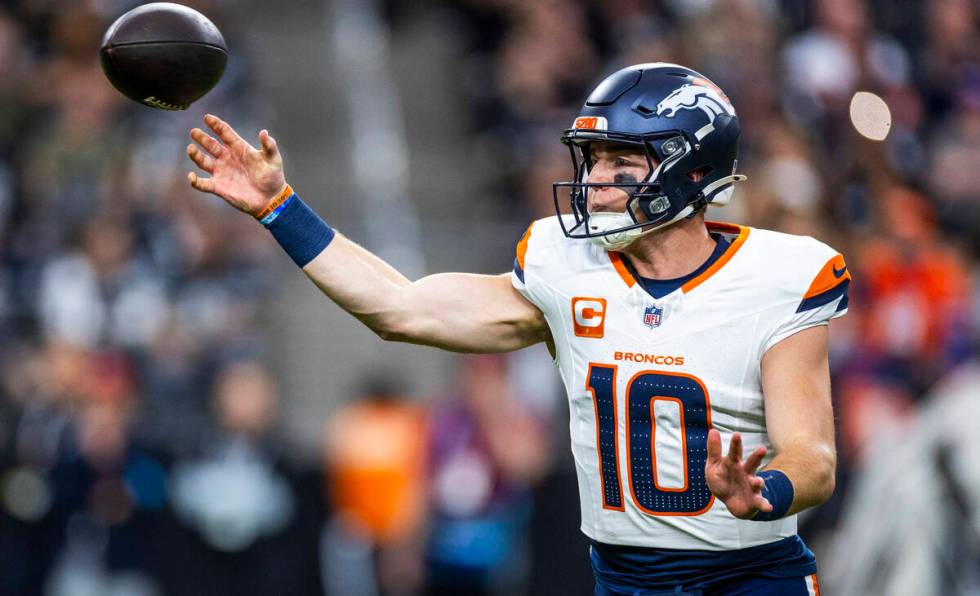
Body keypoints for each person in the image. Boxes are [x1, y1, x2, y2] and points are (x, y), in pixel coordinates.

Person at [185, 63, 846, 595]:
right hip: (625, 581)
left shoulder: (779, 277)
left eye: (621, 164)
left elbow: (811, 455)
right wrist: (280, 209)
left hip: (751, 578)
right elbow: (400, 308)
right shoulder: (566, 267)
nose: (595, 183)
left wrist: (763, 491)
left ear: (692, 170)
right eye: (590, 162)